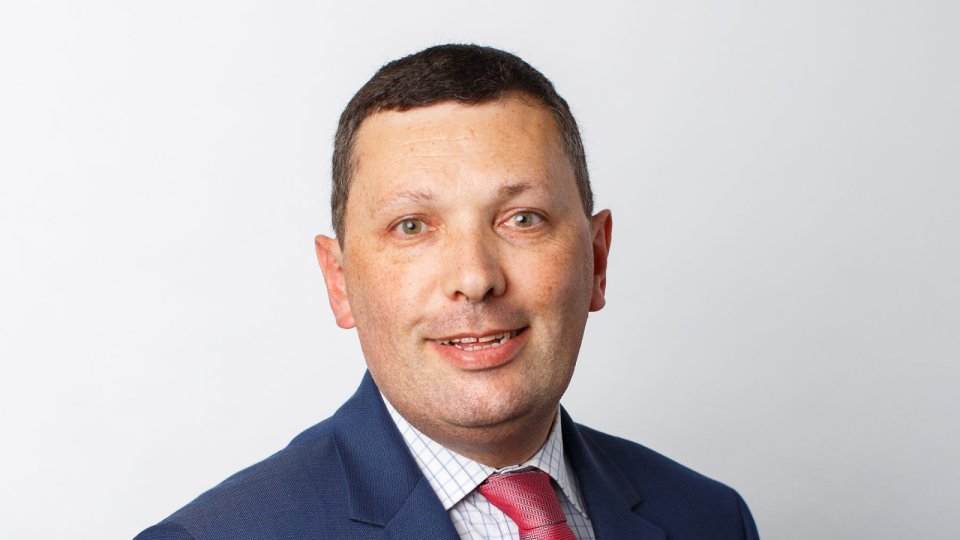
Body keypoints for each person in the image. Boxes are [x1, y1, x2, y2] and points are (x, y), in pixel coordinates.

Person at [134, 44, 760, 540]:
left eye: (522, 219)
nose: (475, 277)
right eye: (413, 226)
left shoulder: (709, 518)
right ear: (340, 281)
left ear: (596, 259)